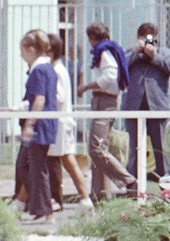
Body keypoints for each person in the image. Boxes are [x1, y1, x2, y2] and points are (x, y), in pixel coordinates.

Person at [80, 20, 136, 200]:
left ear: (92, 37)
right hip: (104, 101)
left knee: (96, 149)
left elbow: (110, 77)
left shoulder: (103, 52)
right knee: (100, 149)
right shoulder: (108, 50)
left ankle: (128, 181)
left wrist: (87, 86)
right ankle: (100, 195)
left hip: (105, 101)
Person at [123, 22, 170, 178]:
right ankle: (134, 185)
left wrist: (155, 56)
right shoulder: (130, 53)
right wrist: (136, 51)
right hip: (134, 105)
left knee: (161, 149)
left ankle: (166, 184)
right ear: (138, 38)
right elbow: (120, 67)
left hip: (157, 105)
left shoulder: (165, 53)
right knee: (135, 149)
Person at [16, 30, 58, 222]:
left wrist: (29, 124)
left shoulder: (39, 70)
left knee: (35, 168)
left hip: (39, 127)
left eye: (23, 51)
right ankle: (42, 207)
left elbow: (39, 99)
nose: (21, 55)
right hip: (45, 124)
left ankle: (46, 209)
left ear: (31, 49)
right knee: (28, 166)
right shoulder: (48, 68)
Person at [47, 34, 90, 207]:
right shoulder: (57, 69)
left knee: (69, 162)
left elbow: (60, 97)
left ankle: (85, 197)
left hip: (59, 124)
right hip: (57, 124)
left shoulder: (57, 71)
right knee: (52, 162)